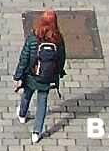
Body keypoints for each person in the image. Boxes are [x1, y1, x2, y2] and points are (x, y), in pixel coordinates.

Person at [12, 9, 68, 142]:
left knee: (27, 94)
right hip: (47, 78)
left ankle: (22, 114)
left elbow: (24, 58)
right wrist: (58, 73)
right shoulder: (58, 39)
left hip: (32, 75)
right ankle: (36, 132)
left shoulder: (33, 37)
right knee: (42, 103)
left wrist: (18, 76)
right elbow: (61, 59)